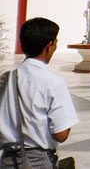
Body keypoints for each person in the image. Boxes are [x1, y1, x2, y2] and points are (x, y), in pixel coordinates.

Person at [0, 18, 79, 169]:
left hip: (7, 160)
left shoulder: (6, 78)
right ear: (49, 46)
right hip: (37, 160)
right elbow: (61, 134)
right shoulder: (53, 82)